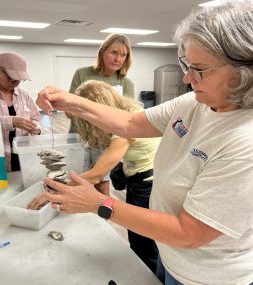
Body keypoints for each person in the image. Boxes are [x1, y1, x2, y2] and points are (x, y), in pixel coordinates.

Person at [36, 1, 253, 284]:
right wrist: (72, 102)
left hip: (205, 276)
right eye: (186, 64)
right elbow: (130, 123)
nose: (187, 78)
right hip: (171, 256)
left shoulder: (244, 141)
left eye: (199, 69)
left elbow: (189, 233)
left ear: (241, 73)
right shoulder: (193, 102)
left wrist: (99, 203)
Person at [31, 80, 161, 273]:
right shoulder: (127, 113)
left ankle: (151, 277)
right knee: (137, 236)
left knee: (144, 241)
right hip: (138, 179)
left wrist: (52, 193)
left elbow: (97, 174)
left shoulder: (129, 123)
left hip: (148, 185)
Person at [68, 33, 135, 195]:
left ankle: (101, 220)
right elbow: (69, 109)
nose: (118, 59)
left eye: (123, 55)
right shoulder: (82, 74)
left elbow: (127, 119)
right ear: (103, 52)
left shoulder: (126, 83)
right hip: (80, 138)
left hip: (105, 142)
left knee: (101, 184)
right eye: (114, 52)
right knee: (77, 180)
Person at [0, 52, 41, 172]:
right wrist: (10, 121)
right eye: (11, 79)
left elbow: (35, 117)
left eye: (19, 80)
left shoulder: (23, 93)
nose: (15, 84)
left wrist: (36, 127)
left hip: (22, 156)